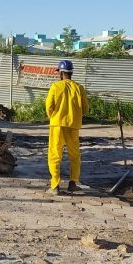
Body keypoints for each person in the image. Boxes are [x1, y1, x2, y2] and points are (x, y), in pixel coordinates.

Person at [45, 60, 88, 194]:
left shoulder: (55, 86)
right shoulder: (79, 88)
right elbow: (85, 108)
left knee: (55, 155)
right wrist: (75, 115)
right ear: (71, 72)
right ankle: (73, 183)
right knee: (75, 156)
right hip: (73, 126)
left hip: (57, 124)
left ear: (61, 73)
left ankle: (55, 186)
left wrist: (54, 116)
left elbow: (49, 106)